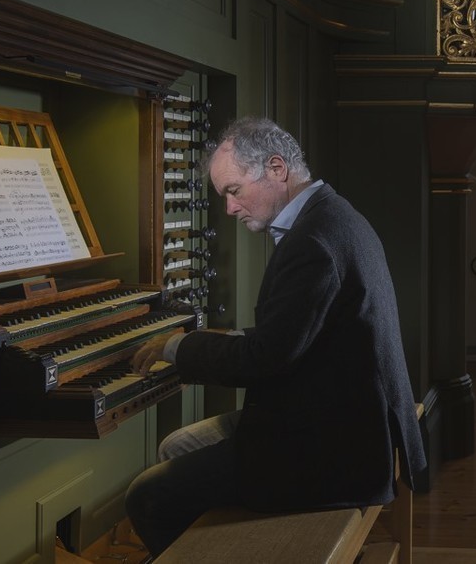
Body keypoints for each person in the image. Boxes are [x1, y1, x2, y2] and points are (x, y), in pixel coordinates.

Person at [125, 116, 427, 556]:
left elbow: (266, 357)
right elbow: (301, 330)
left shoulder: (314, 241)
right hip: (343, 417)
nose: (229, 209)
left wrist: (178, 347)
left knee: (148, 496)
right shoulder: (332, 213)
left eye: (234, 191)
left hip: (334, 448)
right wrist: (220, 338)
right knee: (179, 444)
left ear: (277, 169)